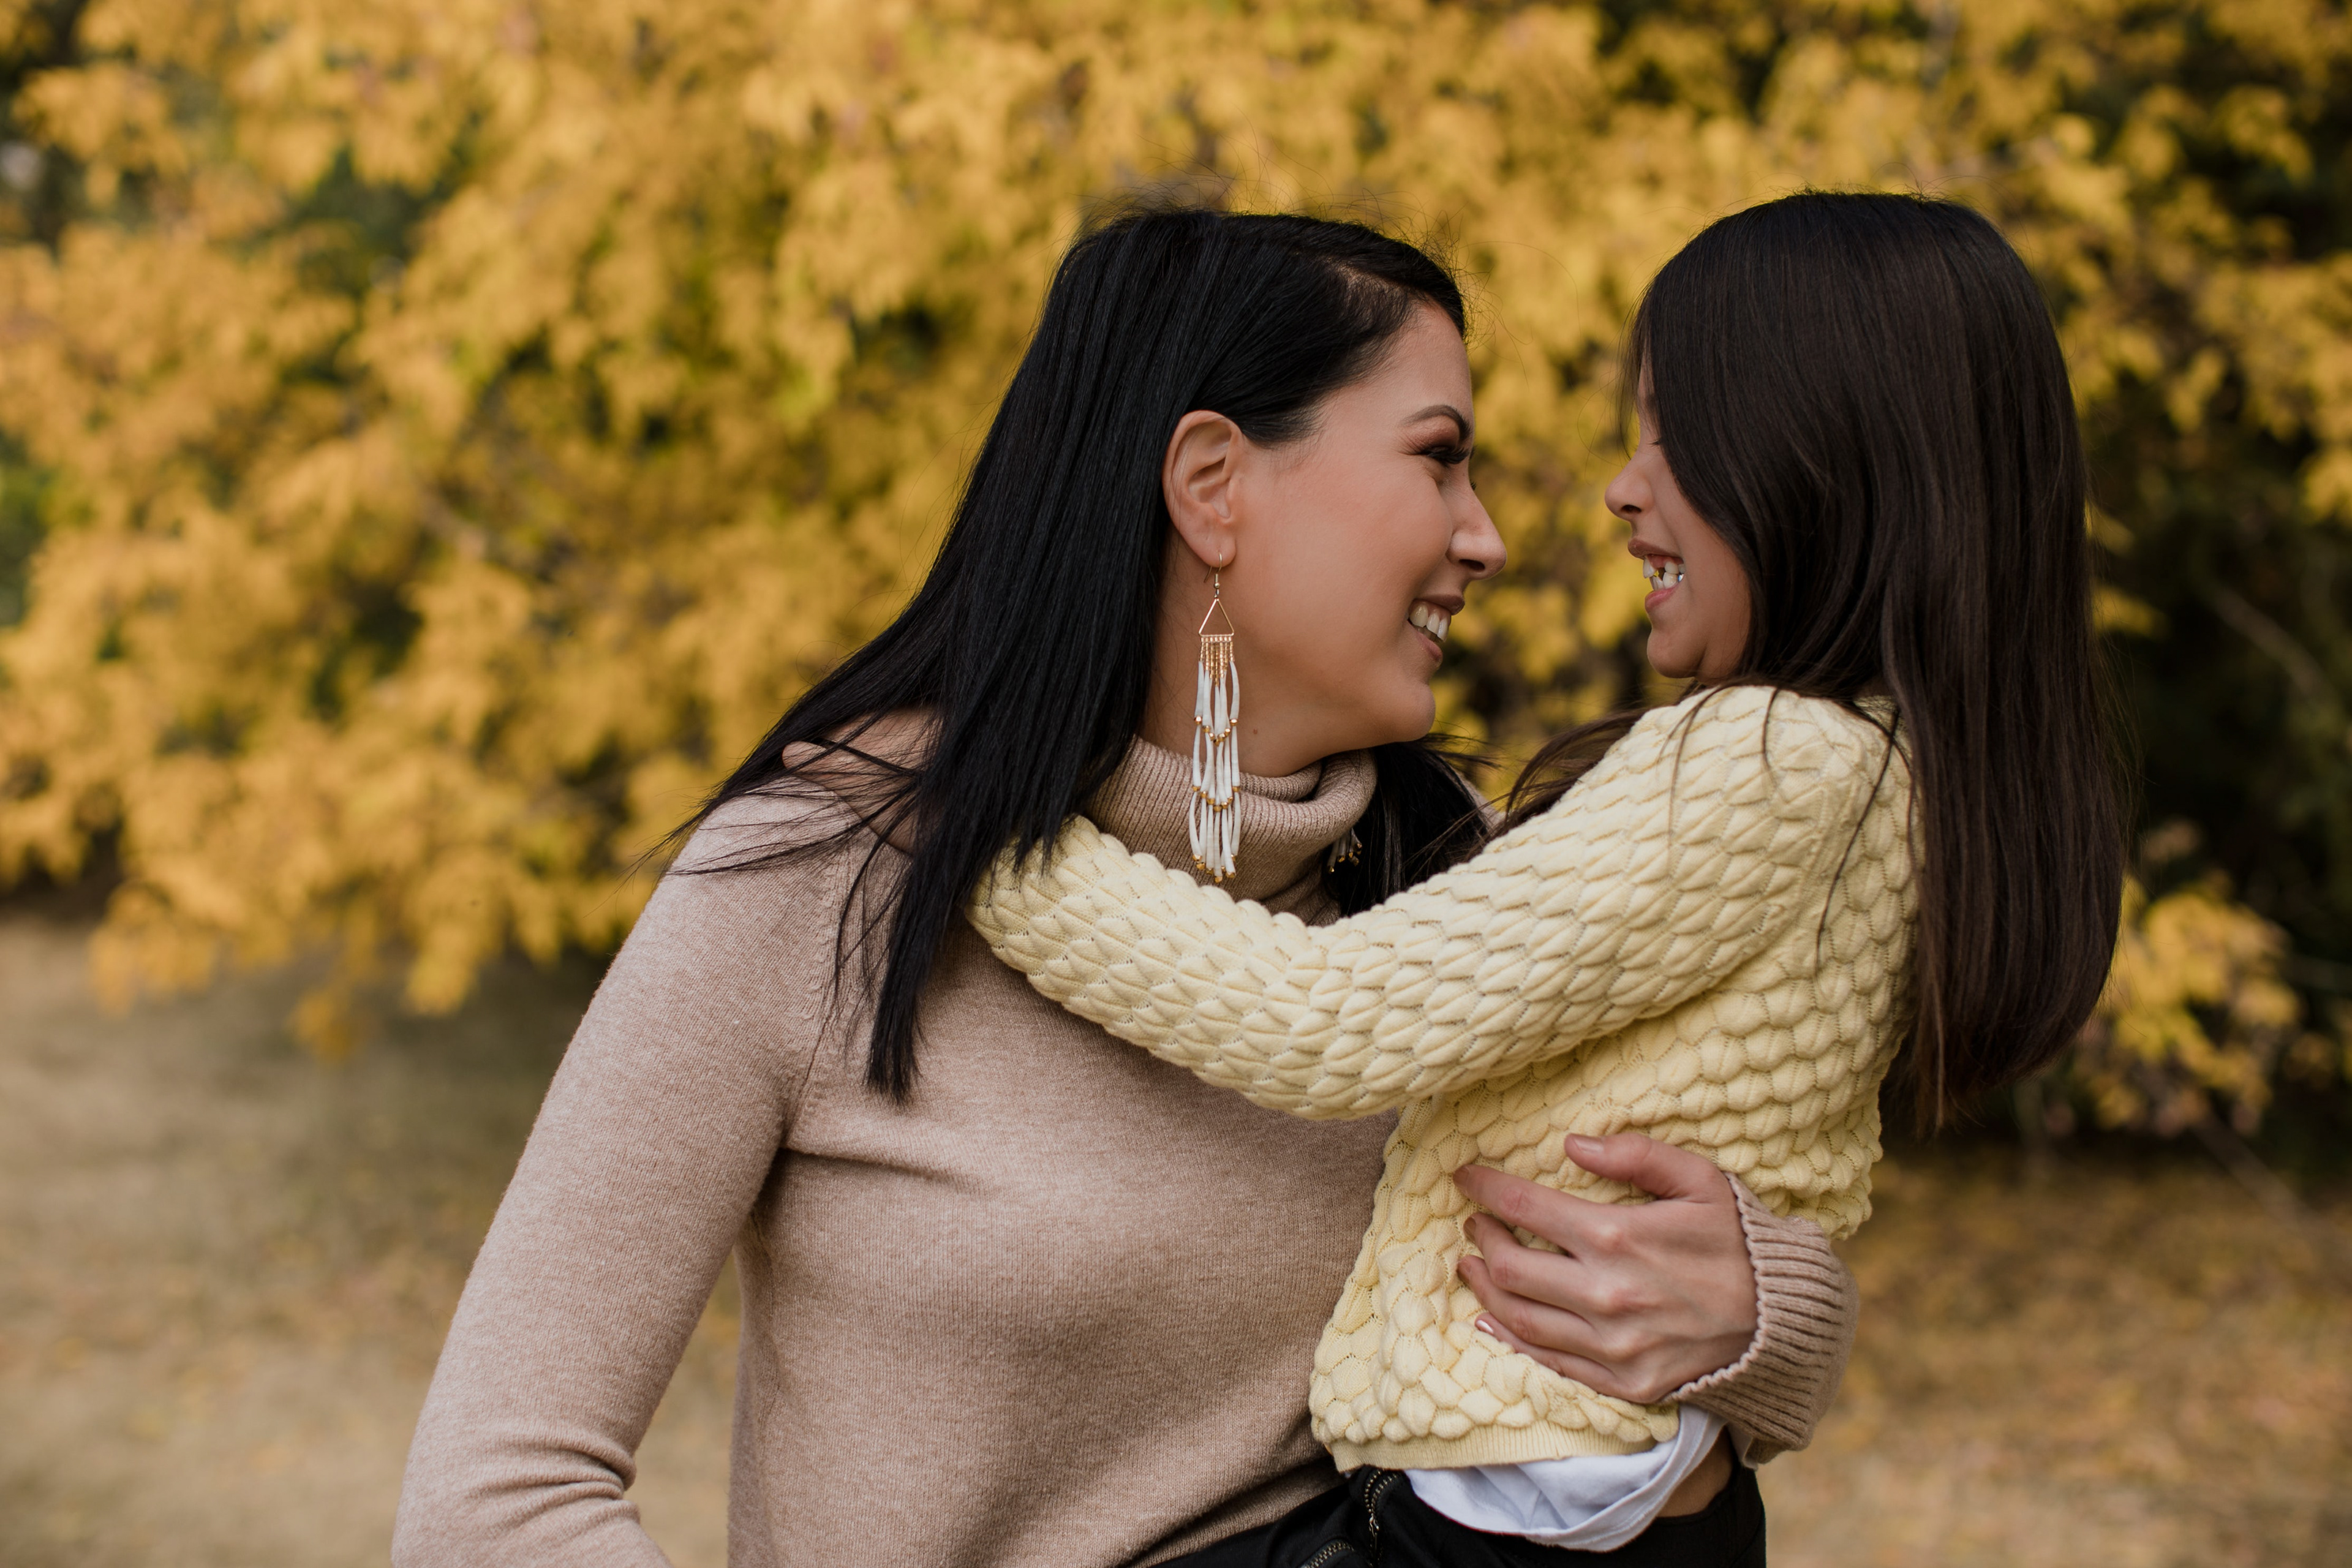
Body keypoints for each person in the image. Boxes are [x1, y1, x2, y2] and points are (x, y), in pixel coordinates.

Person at [391, 208, 1861, 1568]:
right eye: (1437, 457)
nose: (1484, 536)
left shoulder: (1458, 870)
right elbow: (496, 1495)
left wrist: (1763, 1316)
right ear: (1213, 484)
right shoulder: (825, 871)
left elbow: (1663, 1289)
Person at [965, 192, 2125, 1567]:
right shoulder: (1888, 777)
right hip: (1618, 1509)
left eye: (1675, 436)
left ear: (1827, 460)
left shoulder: (1761, 758)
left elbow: (1324, 1015)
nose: (1624, 490)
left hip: (1503, 1515)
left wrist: (987, 837)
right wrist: (1778, 1319)